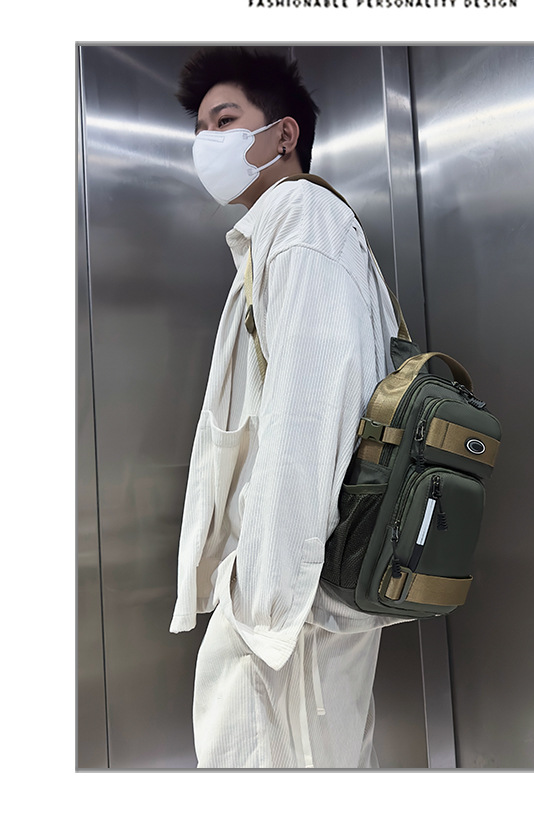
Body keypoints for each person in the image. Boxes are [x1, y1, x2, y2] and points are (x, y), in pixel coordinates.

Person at [169, 47, 404, 768]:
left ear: (283, 133)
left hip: (289, 604)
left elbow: (309, 410)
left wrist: (265, 607)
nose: (207, 142)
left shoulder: (301, 219)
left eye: (224, 120)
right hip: (296, 590)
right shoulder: (279, 229)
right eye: (201, 128)